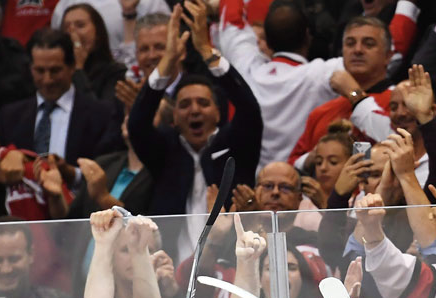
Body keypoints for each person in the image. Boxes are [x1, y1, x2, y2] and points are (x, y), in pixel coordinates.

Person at [126, 1, 262, 247]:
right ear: (175, 117)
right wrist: (165, 64)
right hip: (170, 270)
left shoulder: (235, 146)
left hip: (229, 265)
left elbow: (249, 108)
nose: (195, 110)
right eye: (185, 104)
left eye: (203, 103)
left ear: (219, 113)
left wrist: (209, 53)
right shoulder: (164, 151)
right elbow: (137, 125)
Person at [213, 0, 345, 165]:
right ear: (308, 36)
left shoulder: (247, 71)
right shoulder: (322, 74)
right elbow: (368, 61)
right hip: (301, 181)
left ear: (266, 41)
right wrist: (356, 95)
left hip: (255, 184)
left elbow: (231, 27)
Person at [0, 28, 121, 163]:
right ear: (30, 68)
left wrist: (72, 175)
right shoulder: (10, 117)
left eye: (55, 71)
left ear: (72, 67)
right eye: (39, 71)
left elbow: (107, 168)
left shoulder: (102, 115)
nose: (47, 80)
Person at [287, 16, 396, 165]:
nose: (357, 50)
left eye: (369, 44)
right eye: (350, 44)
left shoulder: (401, 103)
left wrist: (354, 93)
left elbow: (401, 145)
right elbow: (292, 166)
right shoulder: (321, 113)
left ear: (388, 56)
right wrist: (317, 156)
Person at [62, 3, 127, 104]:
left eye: (80, 25)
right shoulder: (54, 72)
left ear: (97, 32)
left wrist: (78, 69)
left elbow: (99, 114)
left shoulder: (115, 73)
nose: (72, 32)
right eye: (66, 27)